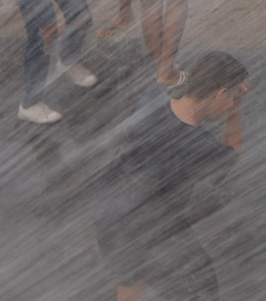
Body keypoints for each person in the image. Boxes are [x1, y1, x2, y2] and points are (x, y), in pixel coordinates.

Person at [92, 52, 250, 301]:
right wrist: (236, 110)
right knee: (201, 287)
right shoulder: (197, 146)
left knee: (131, 281)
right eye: (231, 98)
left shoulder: (152, 98)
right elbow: (234, 152)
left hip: (109, 212)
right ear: (219, 93)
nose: (232, 103)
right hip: (153, 229)